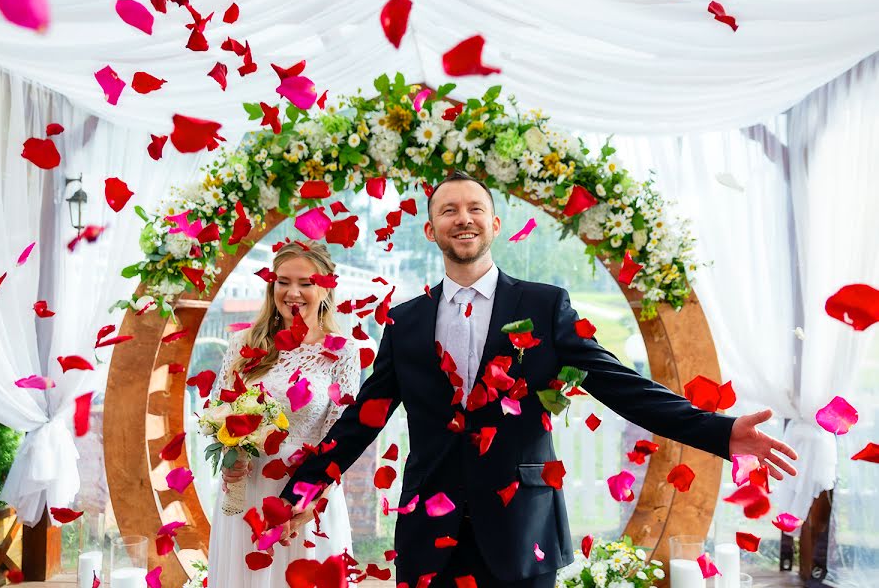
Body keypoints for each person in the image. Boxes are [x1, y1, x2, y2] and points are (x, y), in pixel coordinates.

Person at [270, 170, 797, 587]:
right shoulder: (404, 322)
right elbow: (363, 420)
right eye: (448, 210)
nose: (463, 218)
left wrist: (720, 431)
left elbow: (620, 385)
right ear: (431, 231)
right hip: (429, 532)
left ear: (495, 225)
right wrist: (297, 494)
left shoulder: (545, 308)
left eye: (475, 208)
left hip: (523, 530)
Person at [209, 240, 361, 587]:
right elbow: (217, 413)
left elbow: (341, 441)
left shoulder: (344, 352)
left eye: (306, 283)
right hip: (247, 489)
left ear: (326, 287)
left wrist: (310, 499)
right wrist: (230, 454)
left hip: (308, 492)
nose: (293, 292)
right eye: (283, 282)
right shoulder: (243, 345)